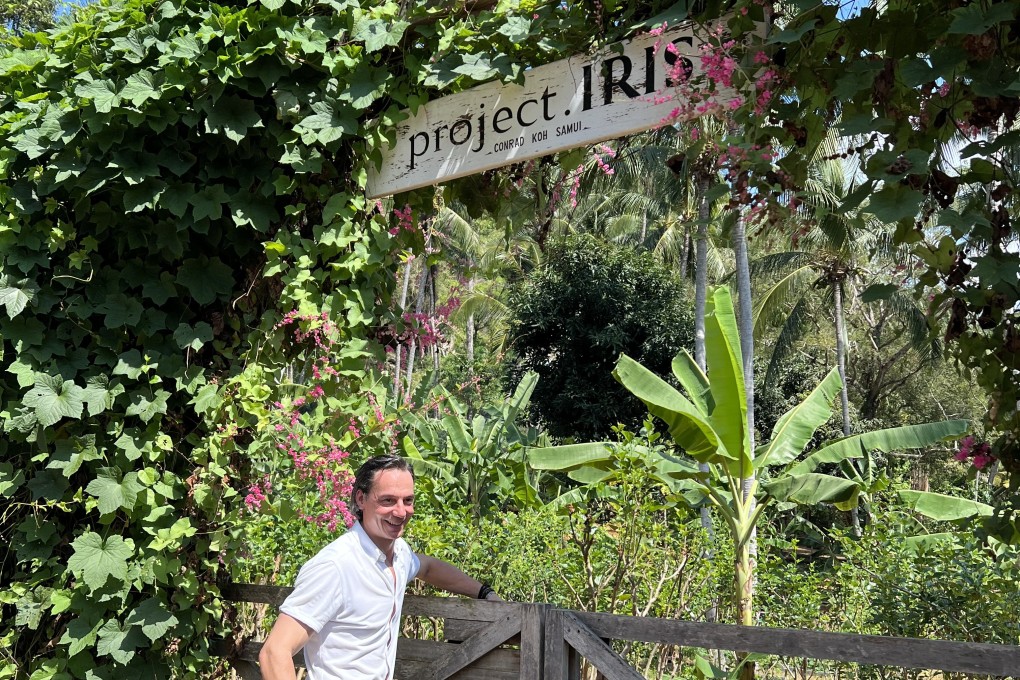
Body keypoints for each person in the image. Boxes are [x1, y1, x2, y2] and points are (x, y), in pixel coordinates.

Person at [258, 454, 501, 680]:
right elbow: (274, 652)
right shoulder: (336, 566)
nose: (401, 512)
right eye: (388, 500)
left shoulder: (399, 555)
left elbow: (427, 567)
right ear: (361, 499)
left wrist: (484, 592)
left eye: (408, 500)